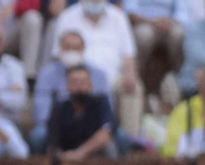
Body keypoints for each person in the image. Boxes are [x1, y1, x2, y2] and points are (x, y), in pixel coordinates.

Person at [50, 0, 144, 135]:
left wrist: (130, 74)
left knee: (134, 87)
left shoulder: (118, 16)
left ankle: (130, 140)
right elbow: (58, 56)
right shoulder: (67, 17)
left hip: (113, 78)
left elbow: (128, 54)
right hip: (78, 78)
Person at [32, 31, 112, 152]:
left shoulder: (99, 75)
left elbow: (108, 116)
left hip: (93, 124)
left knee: (115, 136)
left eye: (76, 48)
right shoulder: (47, 73)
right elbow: (42, 111)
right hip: (59, 124)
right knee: (40, 135)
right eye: (67, 47)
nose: (72, 51)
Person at [48, 63, 116, 158]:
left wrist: (79, 153)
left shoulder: (101, 102)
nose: (79, 87)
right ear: (68, 86)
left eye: (83, 82)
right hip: (68, 155)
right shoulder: (60, 108)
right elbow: (53, 144)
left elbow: (106, 133)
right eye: (75, 82)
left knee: (114, 142)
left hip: (94, 152)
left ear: (90, 85)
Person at [123, 0, 187, 91]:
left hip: (170, 25)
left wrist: (170, 22)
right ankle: (137, 79)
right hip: (143, 23)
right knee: (144, 35)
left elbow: (183, 13)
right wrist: (153, 22)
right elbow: (130, 12)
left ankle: (181, 80)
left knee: (179, 34)